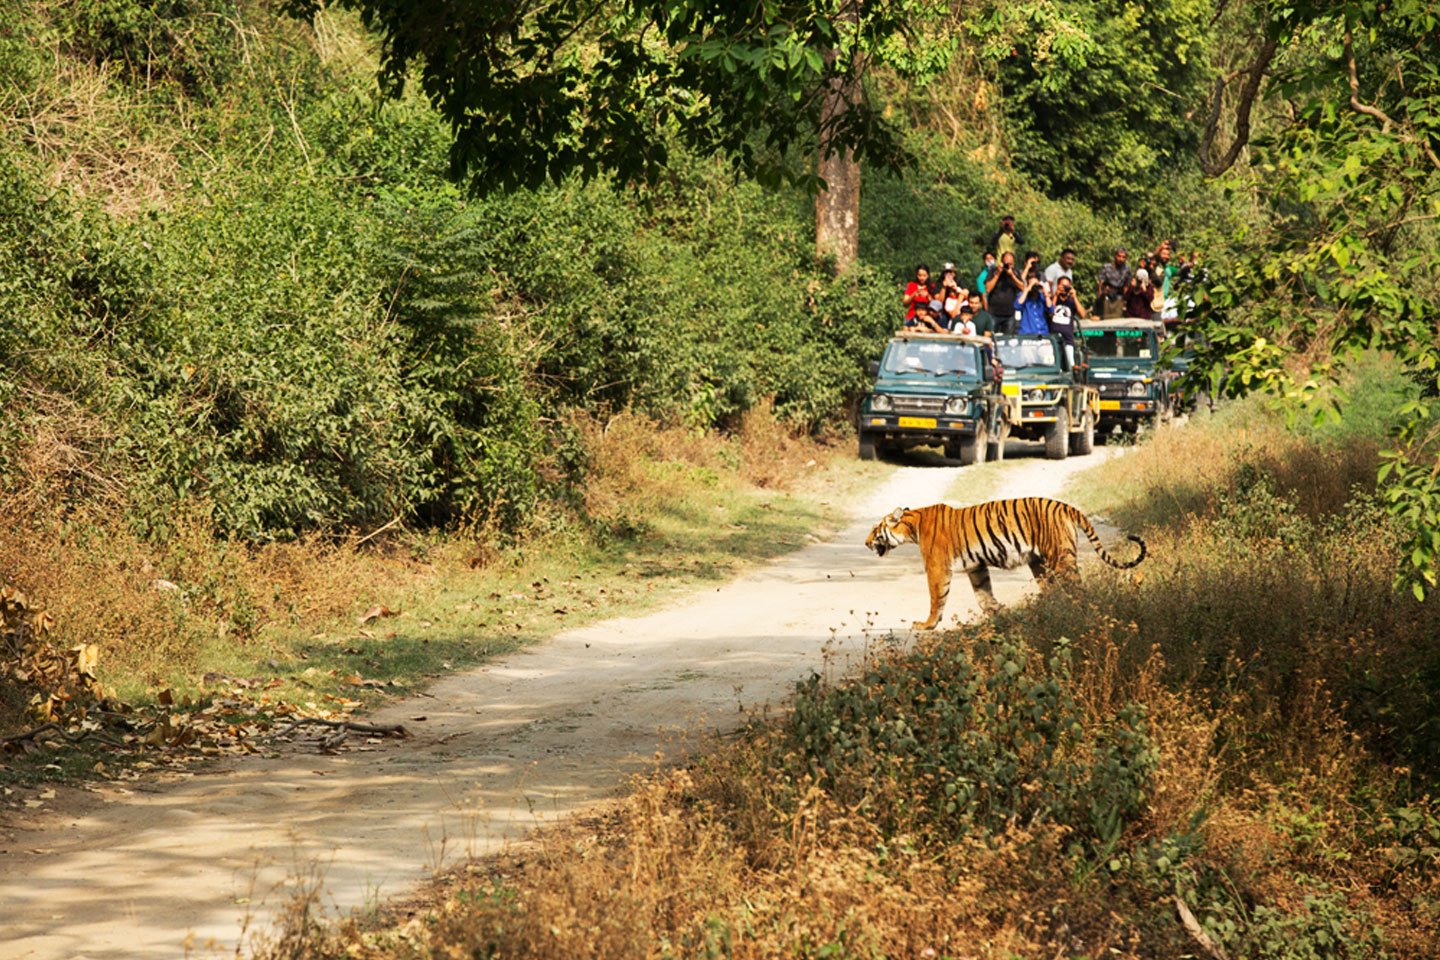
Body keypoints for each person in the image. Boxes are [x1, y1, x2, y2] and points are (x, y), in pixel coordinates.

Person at [1050, 276, 1087, 367]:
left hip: (1068, 339)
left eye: (1066, 286)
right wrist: (1056, 295)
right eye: (1062, 286)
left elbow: (1083, 315)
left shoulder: (1071, 301)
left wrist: (1075, 297)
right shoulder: (1052, 298)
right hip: (1053, 338)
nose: (1064, 288)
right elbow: (1050, 312)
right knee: (1052, 362)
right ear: (1057, 286)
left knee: (1070, 363)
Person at [986, 250, 1023, 335]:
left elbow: (1022, 287)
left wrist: (1012, 275)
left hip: (1009, 314)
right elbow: (988, 289)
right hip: (993, 313)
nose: (1008, 266)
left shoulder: (1015, 272)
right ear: (1001, 262)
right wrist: (998, 273)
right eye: (1006, 263)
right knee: (990, 337)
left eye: (1010, 264)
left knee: (1008, 339)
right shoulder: (993, 271)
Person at [1016, 253, 1052, 335]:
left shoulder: (1041, 275)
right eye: (1033, 262)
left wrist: (1042, 291)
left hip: (1039, 302)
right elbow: (1019, 284)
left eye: (1037, 262)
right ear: (1026, 262)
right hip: (1025, 303)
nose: (1035, 265)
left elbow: (1048, 292)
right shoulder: (1021, 272)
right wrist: (1027, 267)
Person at [1096, 247, 1131, 320]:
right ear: (1115, 256)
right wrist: (1100, 296)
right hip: (1106, 294)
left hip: (1118, 295)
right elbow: (1101, 283)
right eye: (1119, 256)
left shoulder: (1127, 269)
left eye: (1123, 257)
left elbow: (1126, 285)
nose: (1121, 259)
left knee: (1116, 317)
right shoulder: (1106, 267)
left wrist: (1124, 300)